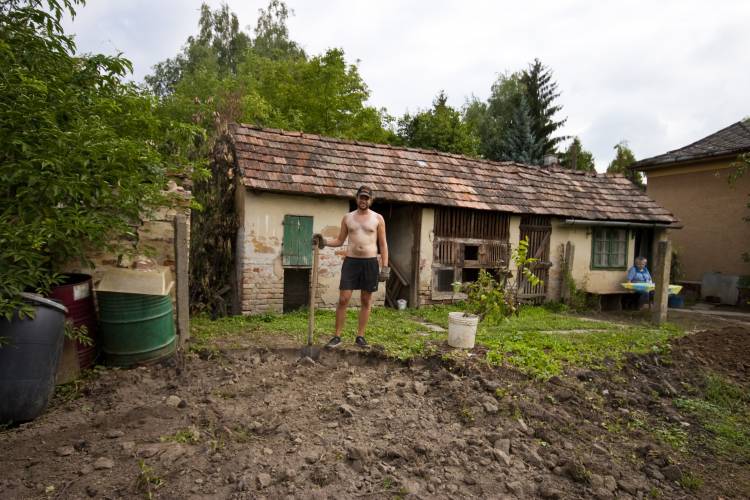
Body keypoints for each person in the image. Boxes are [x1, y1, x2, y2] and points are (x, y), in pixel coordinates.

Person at [313, 186, 389, 348]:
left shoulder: (378, 218)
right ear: (356, 198)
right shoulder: (348, 218)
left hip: (370, 263)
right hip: (351, 262)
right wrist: (324, 242)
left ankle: (360, 337)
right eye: (361, 197)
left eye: (366, 198)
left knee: (366, 300)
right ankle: (337, 336)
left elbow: (383, 245)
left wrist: (385, 267)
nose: (363, 200)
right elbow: (340, 240)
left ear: (371, 200)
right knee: (343, 299)